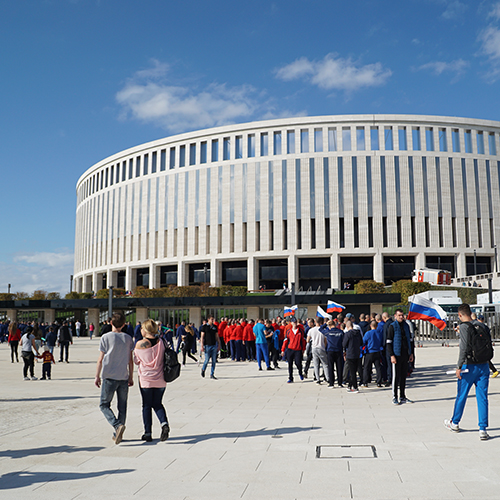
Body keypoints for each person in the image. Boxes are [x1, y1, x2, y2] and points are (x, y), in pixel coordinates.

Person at [444, 304, 491, 440]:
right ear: (470, 313)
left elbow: (463, 348)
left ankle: (455, 422)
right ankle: (482, 429)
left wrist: (458, 366)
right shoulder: (482, 325)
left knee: (462, 395)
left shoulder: (464, 327)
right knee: (482, 397)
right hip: (483, 365)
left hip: (468, 367)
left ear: (460, 315)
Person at [95, 312, 134, 444]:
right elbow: (130, 360)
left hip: (109, 376)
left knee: (104, 404)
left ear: (110, 322)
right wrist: (131, 376)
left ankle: (117, 425)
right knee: (122, 406)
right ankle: (118, 432)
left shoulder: (105, 337)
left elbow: (100, 359)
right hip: (123, 376)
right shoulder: (129, 338)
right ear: (124, 324)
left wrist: (97, 376)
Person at [134, 319, 170, 442]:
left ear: (146, 330)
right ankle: (164, 423)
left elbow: (136, 360)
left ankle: (148, 433)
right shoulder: (163, 342)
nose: (140, 330)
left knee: (146, 405)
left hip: (146, 379)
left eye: (142, 328)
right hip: (160, 378)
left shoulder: (140, 344)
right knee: (158, 403)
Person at [386, 309, 414, 405]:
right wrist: (392, 355)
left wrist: (411, 353)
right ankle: (395, 396)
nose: (401, 317)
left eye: (402, 315)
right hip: (396, 355)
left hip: (405, 354)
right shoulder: (392, 326)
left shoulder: (406, 326)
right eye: (399, 315)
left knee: (403, 377)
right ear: (395, 316)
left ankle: (403, 396)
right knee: (396, 377)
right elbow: (389, 343)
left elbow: (410, 341)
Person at [281, 317, 306, 383]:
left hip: (298, 349)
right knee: (290, 364)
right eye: (293, 322)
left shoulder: (301, 331)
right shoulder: (288, 331)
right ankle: (290, 378)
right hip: (290, 349)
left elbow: (303, 340)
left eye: (295, 322)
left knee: (298, 363)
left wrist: (303, 349)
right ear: (291, 323)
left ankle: (300, 373)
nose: (294, 323)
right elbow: (285, 341)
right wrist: (283, 350)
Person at [307, 317, 330, 385]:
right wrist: (324, 347)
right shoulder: (323, 330)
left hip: (314, 348)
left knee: (316, 364)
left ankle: (317, 379)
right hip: (321, 347)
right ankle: (328, 378)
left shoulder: (311, 330)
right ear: (321, 322)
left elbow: (307, 340)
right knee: (325, 364)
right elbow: (325, 341)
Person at [343, 320, 363, 393]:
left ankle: (355, 387)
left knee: (352, 372)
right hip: (357, 353)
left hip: (350, 354)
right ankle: (349, 385)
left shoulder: (348, 334)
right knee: (354, 370)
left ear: (347, 326)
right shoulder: (358, 333)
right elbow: (361, 342)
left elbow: (344, 344)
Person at [362, 320, 383, 387]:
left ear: (371, 326)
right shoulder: (379, 333)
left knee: (366, 367)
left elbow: (363, 342)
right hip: (377, 351)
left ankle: (365, 382)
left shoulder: (368, 333)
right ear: (377, 326)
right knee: (378, 367)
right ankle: (379, 382)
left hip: (369, 352)